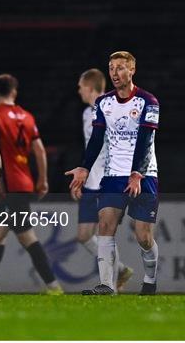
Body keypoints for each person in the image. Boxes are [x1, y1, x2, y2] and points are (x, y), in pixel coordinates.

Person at [66, 51, 160, 295]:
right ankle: (107, 285)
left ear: (132, 70)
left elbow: (146, 139)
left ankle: (150, 280)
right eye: (111, 68)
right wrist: (84, 167)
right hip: (113, 175)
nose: (115, 73)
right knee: (105, 226)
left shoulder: (148, 101)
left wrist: (137, 172)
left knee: (143, 237)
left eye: (120, 68)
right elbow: (96, 139)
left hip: (144, 174)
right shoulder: (103, 103)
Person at [0, 74, 63, 295]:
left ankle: (53, 286)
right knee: (2, 236)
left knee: (21, 237)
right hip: (24, 182)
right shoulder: (27, 117)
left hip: (9, 184)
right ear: (14, 92)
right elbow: (39, 150)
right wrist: (43, 179)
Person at [75, 68, 133, 291]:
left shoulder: (111, 110)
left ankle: (111, 285)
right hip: (90, 183)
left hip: (107, 181)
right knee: (83, 236)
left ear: (89, 87)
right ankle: (119, 271)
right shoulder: (86, 113)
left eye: (80, 86)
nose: (79, 90)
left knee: (105, 232)